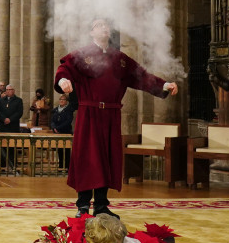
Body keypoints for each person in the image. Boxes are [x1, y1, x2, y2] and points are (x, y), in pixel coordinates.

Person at [55, 18, 178, 217]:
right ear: (91, 32)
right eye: (98, 25)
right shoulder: (82, 54)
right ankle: (83, 206)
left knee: (106, 159)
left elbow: (141, 76)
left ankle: (102, 206)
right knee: (88, 158)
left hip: (111, 115)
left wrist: (164, 85)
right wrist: (63, 80)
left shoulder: (119, 58)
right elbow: (65, 68)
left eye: (106, 25)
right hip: (89, 114)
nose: (104, 28)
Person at [51, 93, 74, 169]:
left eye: (63, 99)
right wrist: (54, 128)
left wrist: (58, 128)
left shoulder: (69, 110)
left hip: (65, 131)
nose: (61, 101)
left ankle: (67, 167)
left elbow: (68, 121)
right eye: (60, 99)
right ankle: (61, 166)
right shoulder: (56, 110)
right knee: (60, 150)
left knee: (66, 151)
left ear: (66, 101)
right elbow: (52, 121)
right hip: (57, 132)